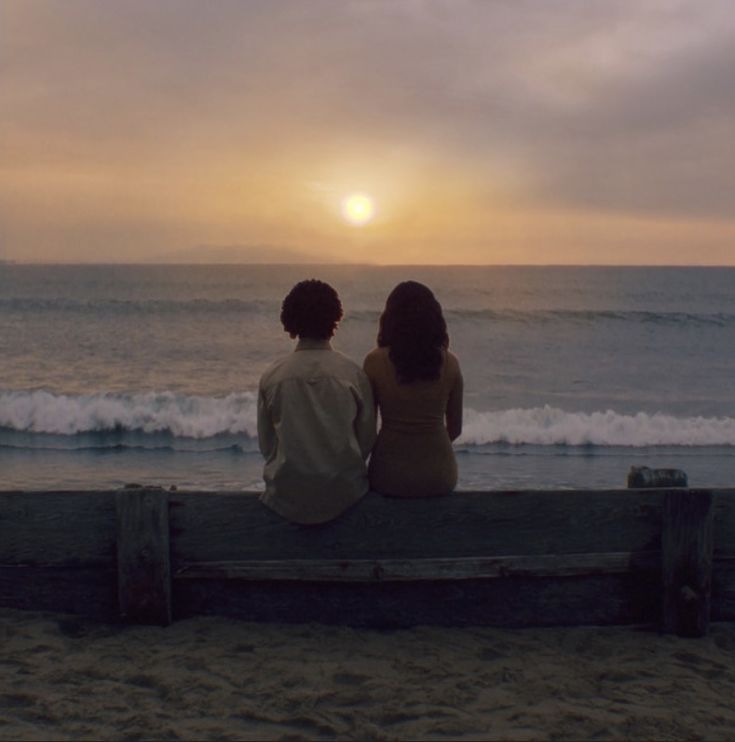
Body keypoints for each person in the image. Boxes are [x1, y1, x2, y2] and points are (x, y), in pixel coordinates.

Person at [258, 279, 376, 524]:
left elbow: (267, 445)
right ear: (335, 318)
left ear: (289, 321)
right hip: (346, 494)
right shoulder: (353, 374)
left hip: (286, 497)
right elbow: (366, 441)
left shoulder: (273, 376)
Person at [363, 281, 463, 497]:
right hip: (440, 476)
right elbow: (455, 429)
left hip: (388, 476)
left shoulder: (373, 361)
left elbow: (367, 430)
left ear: (389, 319)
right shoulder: (451, 363)